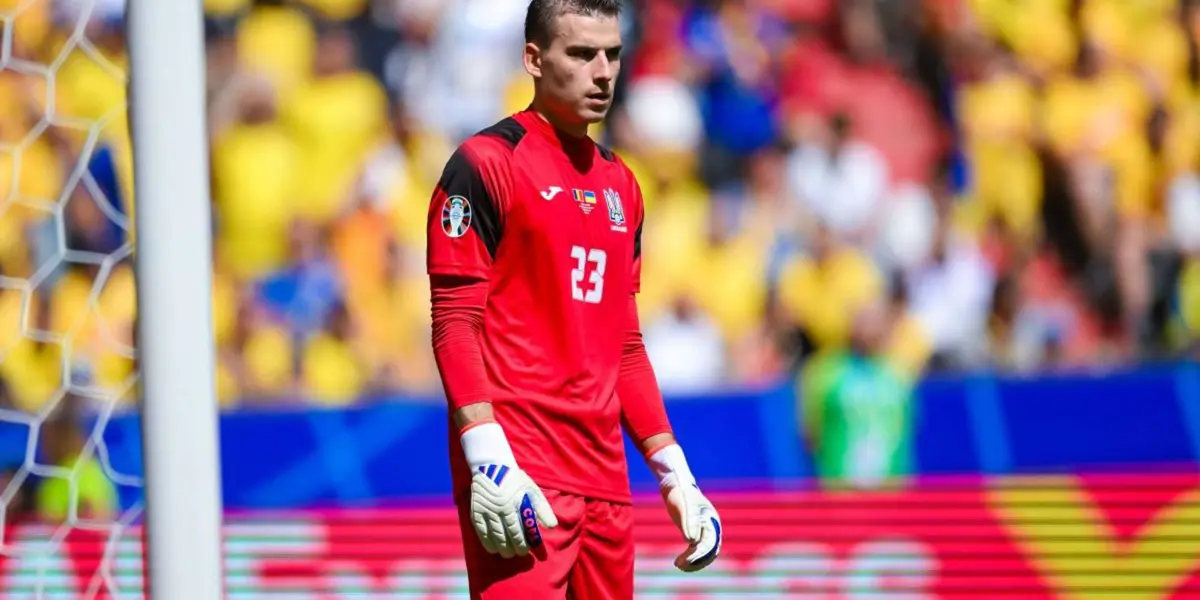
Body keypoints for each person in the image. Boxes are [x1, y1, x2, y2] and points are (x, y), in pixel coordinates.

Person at [425, 1, 722, 597]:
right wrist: (486, 452)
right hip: (521, 468)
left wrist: (675, 472)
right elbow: (455, 321)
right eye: (582, 54)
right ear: (534, 59)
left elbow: (625, 344)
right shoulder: (486, 164)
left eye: (612, 53)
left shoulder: (622, 185)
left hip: (606, 476)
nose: (603, 71)